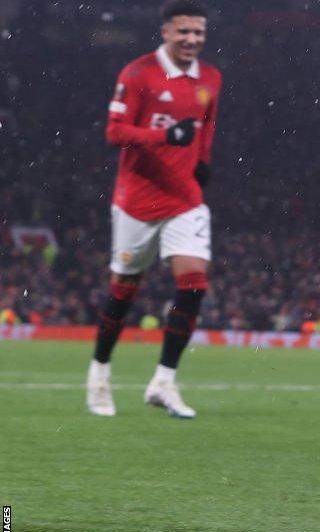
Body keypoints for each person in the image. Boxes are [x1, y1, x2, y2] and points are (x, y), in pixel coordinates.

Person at [85, 0, 221, 419]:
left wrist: (203, 163)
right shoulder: (137, 73)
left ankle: (163, 382)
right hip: (137, 200)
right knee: (124, 292)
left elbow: (206, 125)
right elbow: (114, 132)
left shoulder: (211, 78)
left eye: (198, 32)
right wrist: (162, 138)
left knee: (194, 284)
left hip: (184, 200)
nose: (192, 40)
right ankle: (99, 375)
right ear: (166, 32)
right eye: (184, 32)